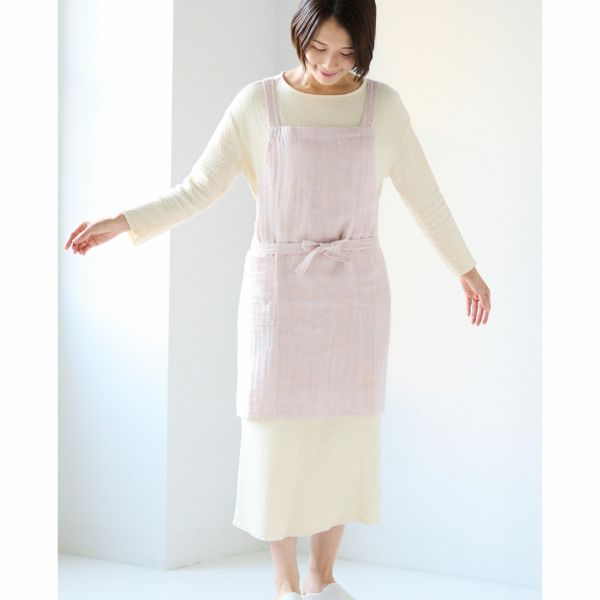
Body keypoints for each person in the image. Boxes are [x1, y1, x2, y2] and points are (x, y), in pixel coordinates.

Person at [64, 1, 491, 599]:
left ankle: (323, 576)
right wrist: (122, 221)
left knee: (344, 434)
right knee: (277, 439)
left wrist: (465, 268)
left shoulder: (383, 108)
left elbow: (424, 193)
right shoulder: (258, 104)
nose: (330, 64)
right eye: (318, 48)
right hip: (279, 295)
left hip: (355, 295)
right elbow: (198, 189)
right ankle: (285, 581)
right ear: (300, 34)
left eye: (346, 53)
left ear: (364, 48)